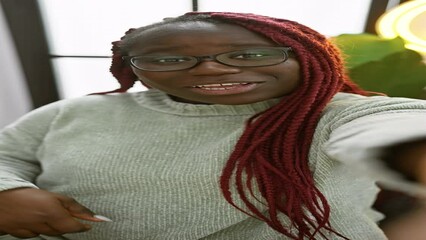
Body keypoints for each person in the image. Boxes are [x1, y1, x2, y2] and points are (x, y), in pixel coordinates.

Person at [0, 11, 425, 240]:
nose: (211, 67)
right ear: (130, 70)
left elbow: (395, 124)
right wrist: (9, 192)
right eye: (167, 59)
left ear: (308, 57)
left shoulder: (333, 111)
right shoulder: (72, 112)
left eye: (250, 55)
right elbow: (6, 155)